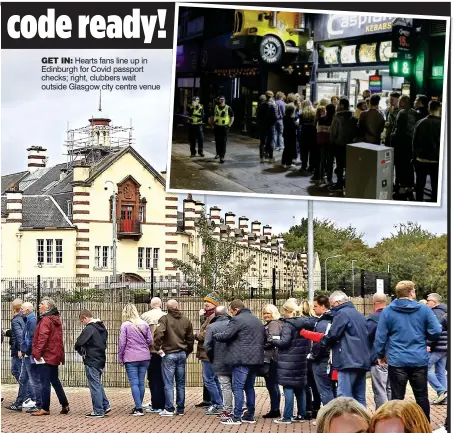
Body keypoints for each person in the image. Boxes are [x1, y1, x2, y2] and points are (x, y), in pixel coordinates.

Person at [374, 280, 442, 421]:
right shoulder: (424, 310)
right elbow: (436, 330)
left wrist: (380, 354)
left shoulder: (388, 311)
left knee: (397, 398)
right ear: (411, 292)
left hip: (397, 359)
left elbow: (380, 336)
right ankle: (424, 425)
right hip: (418, 358)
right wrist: (426, 339)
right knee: (422, 396)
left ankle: (397, 426)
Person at [301, 291, 372, 407]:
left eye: (332, 304)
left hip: (347, 360)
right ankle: (362, 422)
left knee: (344, 396)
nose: (332, 308)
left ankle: (343, 423)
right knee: (359, 396)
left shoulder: (342, 314)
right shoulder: (359, 315)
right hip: (362, 360)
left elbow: (333, 334)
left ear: (338, 302)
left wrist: (321, 343)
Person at [214, 299, 265, 425]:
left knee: (238, 387)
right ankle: (250, 415)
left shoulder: (237, 320)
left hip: (241, 360)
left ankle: (236, 417)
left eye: (231, 311)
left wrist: (215, 335)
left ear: (236, 310)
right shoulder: (257, 320)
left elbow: (226, 335)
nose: (231, 314)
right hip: (255, 359)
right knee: (249, 387)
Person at [270, 301, 311, 424]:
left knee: (288, 387)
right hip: (301, 359)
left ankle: (287, 416)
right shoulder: (305, 323)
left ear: (287, 311)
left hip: (288, 360)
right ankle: (301, 415)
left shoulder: (288, 325)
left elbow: (284, 342)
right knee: (300, 387)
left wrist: (273, 340)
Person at [153, 299, 194, 417]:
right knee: (180, 383)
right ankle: (180, 409)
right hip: (182, 353)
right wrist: (188, 351)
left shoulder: (164, 319)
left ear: (167, 307)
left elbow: (158, 333)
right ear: (178, 306)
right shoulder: (186, 320)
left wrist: (157, 348)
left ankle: (169, 408)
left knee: (169, 383)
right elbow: (190, 338)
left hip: (169, 353)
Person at [31, 298, 69, 416]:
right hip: (54, 355)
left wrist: (37, 353)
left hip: (46, 356)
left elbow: (42, 337)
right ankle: (64, 404)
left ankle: (45, 408)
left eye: (42, 304)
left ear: (48, 307)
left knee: (44, 382)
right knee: (55, 380)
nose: (39, 305)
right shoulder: (55, 319)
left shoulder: (46, 320)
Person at [118, 304, 153, 416]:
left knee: (134, 383)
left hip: (131, 357)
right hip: (145, 357)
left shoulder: (125, 325)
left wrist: (120, 358)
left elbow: (122, 343)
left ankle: (138, 408)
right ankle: (139, 405)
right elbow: (150, 340)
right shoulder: (144, 324)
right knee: (141, 382)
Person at [75, 309, 110, 418]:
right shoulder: (102, 327)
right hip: (100, 358)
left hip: (91, 359)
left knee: (94, 385)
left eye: (82, 321)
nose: (83, 323)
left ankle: (98, 410)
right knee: (98, 383)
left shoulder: (89, 328)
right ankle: (105, 405)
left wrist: (80, 350)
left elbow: (79, 342)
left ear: (85, 318)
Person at [6, 302, 40, 413]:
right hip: (26, 352)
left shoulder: (30, 320)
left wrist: (22, 349)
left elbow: (27, 337)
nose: (21, 310)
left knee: (30, 378)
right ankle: (20, 402)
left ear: (27, 310)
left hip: (27, 353)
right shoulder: (26, 319)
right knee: (23, 378)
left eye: (23, 309)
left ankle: (35, 401)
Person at [195, 293, 223, 416]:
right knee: (214, 379)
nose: (206, 304)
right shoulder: (209, 316)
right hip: (211, 352)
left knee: (209, 380)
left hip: (208, 353)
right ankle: (219, 403)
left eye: (209, 302)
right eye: (205, 301)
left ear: (215, 304)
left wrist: (194, 335)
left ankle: (218, 404)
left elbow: (204, 335)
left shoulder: (212, 317)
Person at [204, 305, 233, 421]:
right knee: (237, 386)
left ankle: (227, 410)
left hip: (219, 359)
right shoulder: (233, 324)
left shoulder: (211, 327)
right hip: (234, 359)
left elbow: (207, 345)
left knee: (225, 386)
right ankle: (240, 408)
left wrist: (212, 357)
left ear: (215, 315)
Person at [140, 297, 166, 413]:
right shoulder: (166, 316)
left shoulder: (144, 316)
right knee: (163, 378)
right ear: (160, 304)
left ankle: (155, 404)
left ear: (151, 305)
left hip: (150, 351)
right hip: (164, 351)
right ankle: (164, 403)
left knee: (153, 378)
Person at [412, 100, 442, 202]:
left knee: (420, 184)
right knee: (436, 185)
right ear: (440, 109)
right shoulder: (443, 125)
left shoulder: (420, 123)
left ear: (429, 109)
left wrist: (414, 157)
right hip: (437, 160)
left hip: (421, 159)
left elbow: (414, 143)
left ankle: (418, 204)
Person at [309, 295, 336, 406]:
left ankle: (329, 417)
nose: (314, 309)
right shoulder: (333, 318)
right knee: (332, 388)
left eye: (316, 306)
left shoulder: (323, 323)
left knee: (324, 390)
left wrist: (313, 355)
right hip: (331, 358)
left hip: (322, 360)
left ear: (323, 307)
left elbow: (320, 342)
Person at [390, 95, 418, 200]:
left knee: (400, 166)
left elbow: (398, 130)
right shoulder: (415, 113)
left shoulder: (401, 113)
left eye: (400, 102)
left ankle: (401, 190)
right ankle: (409, 189)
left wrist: (392, 140)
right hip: (412, 144)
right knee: (409, 167)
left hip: (402, 144)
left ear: (402, 103)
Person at [366, 293, 391, 410]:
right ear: (386, 302)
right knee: (390, 388)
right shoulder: (393, 316)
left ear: (373, 302)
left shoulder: (373, 318)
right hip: (395, 356)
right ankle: (392, 414)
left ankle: (383, 415)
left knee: (380, 389)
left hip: (379, 357)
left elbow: (367, 337)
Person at [329, 98, 358, 192]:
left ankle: (339, 184)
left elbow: (333, 131)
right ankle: (347, 183)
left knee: (339, 164)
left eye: (339, 104)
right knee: (348, 165)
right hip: (350, 145)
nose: (337, 106)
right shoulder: (353, 117)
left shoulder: (337, 117)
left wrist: (332, 141)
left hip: (339, 144)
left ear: (342, 105)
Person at [261, 304, 284, 419]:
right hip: (273, 357)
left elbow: (273, 339)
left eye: (268, 313)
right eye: (264, 313)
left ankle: (275, 409)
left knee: (272, 384)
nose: (265, 315)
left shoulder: (274, 324)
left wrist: (261, 346)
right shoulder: (275, 323)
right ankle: (275, 409)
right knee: (272, 384)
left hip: (271, 358)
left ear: (273, 313)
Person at [426, 292, 448, 404]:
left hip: (438, 346)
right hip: (446, 347)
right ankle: (445, 398)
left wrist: (429, 344)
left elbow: (435, 331)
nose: (426, 302)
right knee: (440, 371)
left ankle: (442, 391)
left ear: (434, 302)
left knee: (425, 367)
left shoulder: (434, 313)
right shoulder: (446, 311)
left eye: (428, 301)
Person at [211, 95, 234, 164]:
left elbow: (232, 117)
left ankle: (222, 156)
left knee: (223, 142)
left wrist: (229, 125)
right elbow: (212, 116)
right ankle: (218, 153)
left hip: (224, 127)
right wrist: (212, 124)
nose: (222, 101)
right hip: (217, 126)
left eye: (223, 99)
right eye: (220, 99)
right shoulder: (215, 107)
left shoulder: (228, 108)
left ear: (224, 100)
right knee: (217, 141)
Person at [317, 103, 336, 186]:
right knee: (330, 162)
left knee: (322, 160)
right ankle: (329, 179)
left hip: (323, 142)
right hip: (331, 143)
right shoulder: (335, 119)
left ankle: (321, 178)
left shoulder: (321, 119)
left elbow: (318, 130)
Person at [299, 100, 317, 173]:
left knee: (304, 150)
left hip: (304, 132)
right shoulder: (314, 112)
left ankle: (304, 165)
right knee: (312, 150)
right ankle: (311, 166)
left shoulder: (302, 113)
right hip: (312, 133)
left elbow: (300, 123)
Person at [261, 90, 279, 164]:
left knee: (262, 142)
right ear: (272, 96)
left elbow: (258, 115)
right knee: (271, 141)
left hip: (263, 125)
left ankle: (261, 158)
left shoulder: (261, 104)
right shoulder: (273, 105)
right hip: (271, 125)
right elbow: (275, 116)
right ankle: (271, 158)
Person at [282, 103, 298, 168]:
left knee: (286, 148)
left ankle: (283, 161)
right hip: (291, 135)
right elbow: (294, 126)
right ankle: (288, 163)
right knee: (290, 148)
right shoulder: (290, 119)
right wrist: (296, 124)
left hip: (286, 134)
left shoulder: (285, 117)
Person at [255, 94, 269, 162]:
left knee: (262, 142)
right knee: (267, 140)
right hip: (266, 125)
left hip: (261, 125)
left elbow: (257, 116)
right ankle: (266, 153)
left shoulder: (259, 106)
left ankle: (261, 156)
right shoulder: (267, 105)